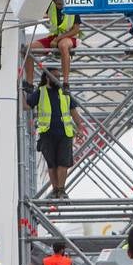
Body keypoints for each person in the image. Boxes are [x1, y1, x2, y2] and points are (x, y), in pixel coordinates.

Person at [22, 60, 86, 199]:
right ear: (47, 78)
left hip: (65, 133)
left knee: (63, 163)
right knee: (52, 164)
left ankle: (61, 190)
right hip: (47, 133)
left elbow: (73, 110)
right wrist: (20, 92)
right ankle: (56, 190)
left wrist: (80, 128)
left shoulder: (64, 92)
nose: (58, 79)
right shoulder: (41, 92)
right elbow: (27, 106)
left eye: (59, 76)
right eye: (55, 76)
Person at [35, 0, 80, 85]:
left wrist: (57, 39)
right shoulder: (51, 6)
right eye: (58, 4)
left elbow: (75, 29)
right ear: (54, 1)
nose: (61, 6)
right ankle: (29, 83)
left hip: (69, 37)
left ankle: (66, 82)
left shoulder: (72, 7)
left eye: (62, 4)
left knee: (63, 45)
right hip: (53, 36)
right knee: (28, 49)